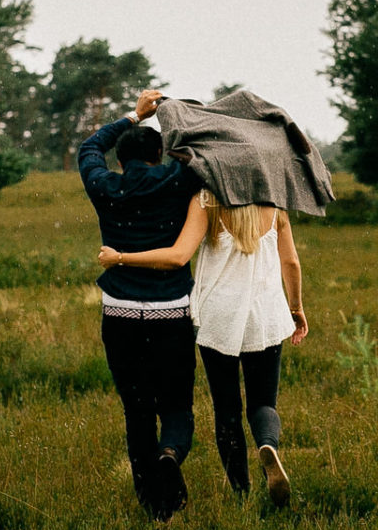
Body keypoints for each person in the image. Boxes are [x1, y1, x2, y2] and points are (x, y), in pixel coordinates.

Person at [99, 189, 308, 507]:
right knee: (263, 402)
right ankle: (268, 445)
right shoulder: (273, 202)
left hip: (218, 315)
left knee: (227, 409)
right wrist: (296, 308)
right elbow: (290, 261)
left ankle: (241, 494)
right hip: (264, 314)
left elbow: (177, 256)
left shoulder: (206, 201)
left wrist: (120, 258)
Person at [78, 89, 204, 520]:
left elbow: (89, 147)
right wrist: (176, 116)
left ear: (120, 159)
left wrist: (134, 115)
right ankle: (170, 455)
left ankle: (153, 505)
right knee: (176, 404)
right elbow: (206, 152)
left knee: (137, 411)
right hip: (171, 312)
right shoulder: (179, 179)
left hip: (120, 315)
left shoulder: (105, 185)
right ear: (159, 153)